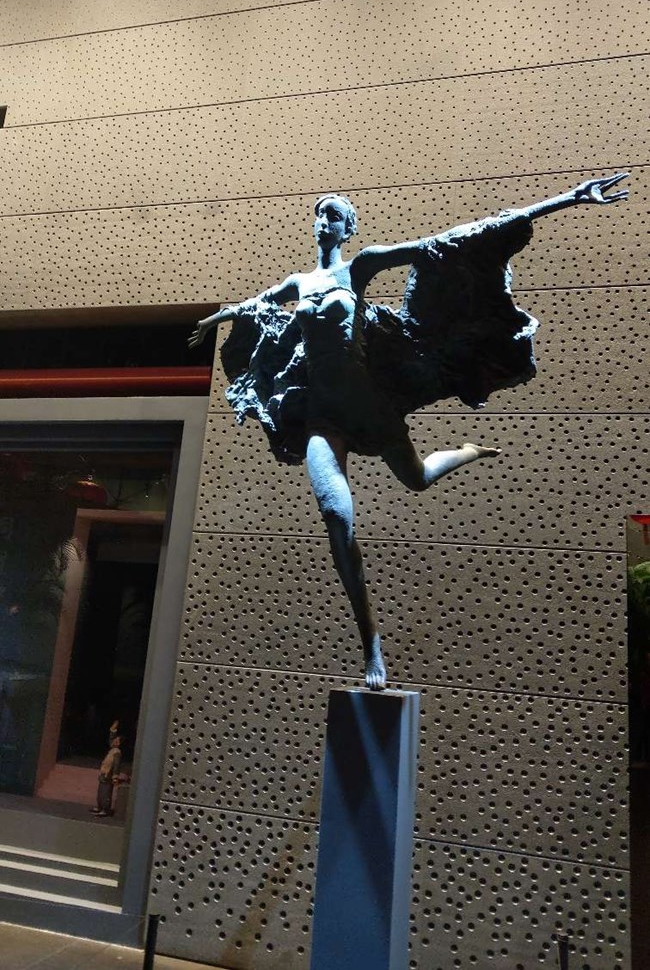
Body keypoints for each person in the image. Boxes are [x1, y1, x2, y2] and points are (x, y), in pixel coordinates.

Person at [190, 173, 628, 690]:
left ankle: (465, 451)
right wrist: (218, 318)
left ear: (348, 228)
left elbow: (451, 240)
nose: (324, 222)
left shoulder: (361, 265)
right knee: (336, 517)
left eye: (334, 215)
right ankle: (371, 645)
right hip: (323, 416)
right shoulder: (297, 283)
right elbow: (256, 305)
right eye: (319, 214)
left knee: (416, 478)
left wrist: (568, 199)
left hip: (372, 405)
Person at [91, 734, 123, 817]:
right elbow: (110, 739)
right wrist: (112, 731)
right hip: (104, 773)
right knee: (101, 791)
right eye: (114, 740)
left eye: (117, 741)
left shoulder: (117, 752)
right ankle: (100, 806)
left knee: (106, 792)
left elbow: (116, 765)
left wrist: (115, 776)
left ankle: (105, 809)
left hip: (108, 774)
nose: (114, 742)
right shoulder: (112, 750)